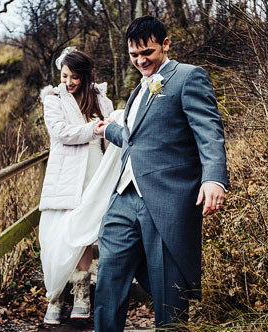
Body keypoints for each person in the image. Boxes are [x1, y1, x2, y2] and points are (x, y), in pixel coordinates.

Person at [92, 16, 228, 331]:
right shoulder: (139, 88)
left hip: (167, 201)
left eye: (148, 53)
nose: (141, 61)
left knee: (169, 295)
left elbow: (209, 133)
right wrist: (108, 129)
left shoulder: (188, 77)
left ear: (165, 45)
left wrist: (214, 178)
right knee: (109, 279)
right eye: (134, 55)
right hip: (122, 199)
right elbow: (134, 137)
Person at [37, 47, 114, 325]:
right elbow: (61, 133)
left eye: (74, 77)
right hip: (64, 176)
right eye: (64, 76)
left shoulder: (100, 99)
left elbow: (111, 137)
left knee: (83, 233)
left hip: (94, 172)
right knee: (55, 235)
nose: (68, 82)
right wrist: (94, 129)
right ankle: (54, 295)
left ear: (85, 76)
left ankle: (82, 293)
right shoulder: (54, 99)